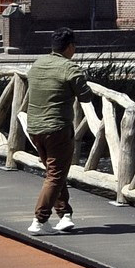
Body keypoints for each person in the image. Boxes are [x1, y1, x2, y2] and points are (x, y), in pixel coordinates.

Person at [26, 27, 89, 234]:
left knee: (55, 173)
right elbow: (86, 96)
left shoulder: (37, 64)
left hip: (34, 127)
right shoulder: (70, 68)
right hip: (58, 129)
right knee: (55, 175)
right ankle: (39, 220)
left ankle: (64, 215)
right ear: (70, 47)